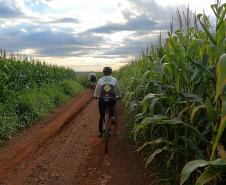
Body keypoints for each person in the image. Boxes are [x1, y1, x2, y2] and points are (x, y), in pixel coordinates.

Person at [94, 67, 121, 137]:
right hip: (112, 99)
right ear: (111, 72)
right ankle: (111, 117)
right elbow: (117, 89)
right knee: (111, 107)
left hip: (102, 99)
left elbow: (96, 88)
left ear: (103, 73)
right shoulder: (114, 79)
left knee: (102, 116)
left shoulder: (100, 79)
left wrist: (95, 95)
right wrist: (119, 96)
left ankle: (100, 132)